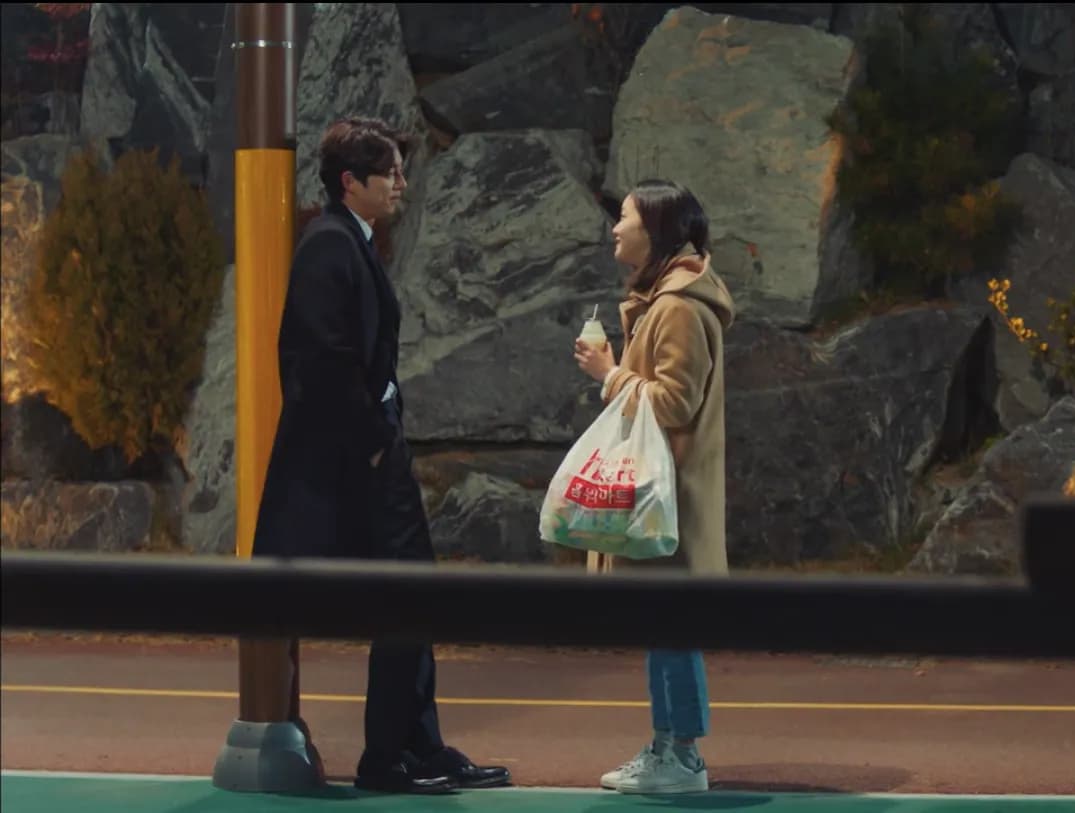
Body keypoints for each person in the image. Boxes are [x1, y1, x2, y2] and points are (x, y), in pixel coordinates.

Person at [251, 116, 511, 795]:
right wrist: (372, 443)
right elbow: (324, 360)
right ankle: (390, 756)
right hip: (357, 458)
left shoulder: (347, 241)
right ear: (350, 182)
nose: (401, 183)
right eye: (389, 172)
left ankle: (414, 745)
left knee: (411, 594)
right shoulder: (328, 246)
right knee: (405, 592)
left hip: (368, 449)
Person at [574, 179, 735, 795]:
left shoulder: (677, 307)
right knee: (663, 623)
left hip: (668, 496)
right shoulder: (665, 302)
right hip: (663, 494)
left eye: (625, 217)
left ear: (657, 231)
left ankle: (683, 755)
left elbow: (674, 401)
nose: (615, 227)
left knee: (672, 625)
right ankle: (668, 746)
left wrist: (611, 373)